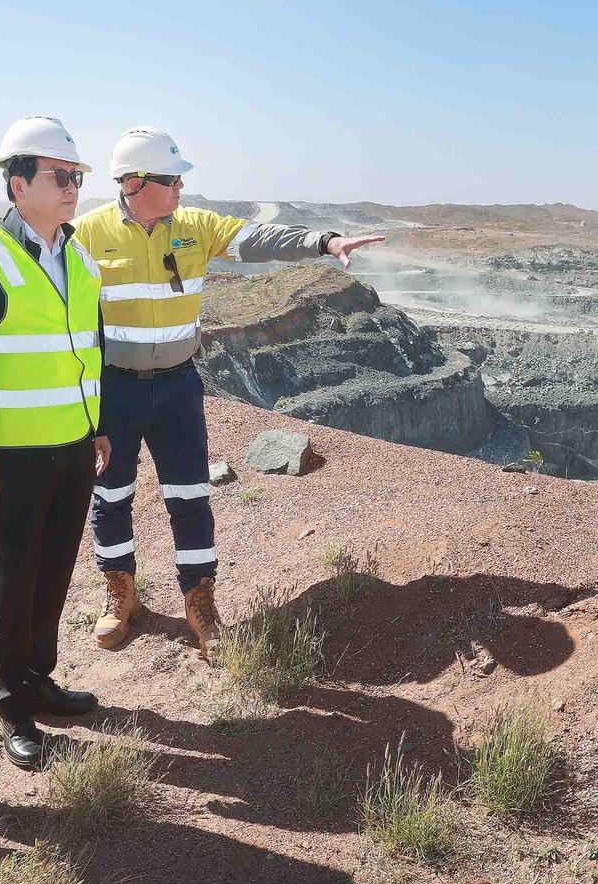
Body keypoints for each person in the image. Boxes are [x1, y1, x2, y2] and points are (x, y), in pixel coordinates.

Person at [74, 127, 383, 656]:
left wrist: (324, 242)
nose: (179, 189)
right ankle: (120, 596)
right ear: (134, 182)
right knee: (112, 496)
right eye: (171, 180)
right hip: (112, 393)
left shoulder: (195, 226)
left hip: (177, 389)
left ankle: (200, 604)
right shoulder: (85, 234)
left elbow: (257, 238)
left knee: (190, 496)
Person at [0, 117, 109, 771]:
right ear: (18, 184)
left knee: (55, 571)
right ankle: (14, 705)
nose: (72, 187)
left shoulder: (80, 256)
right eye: (60, 176)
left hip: (72, 448)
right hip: (12, 455)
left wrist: (100, 423)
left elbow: (91, 352)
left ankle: (40, 679)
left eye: (76, 177)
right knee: (14, 580)